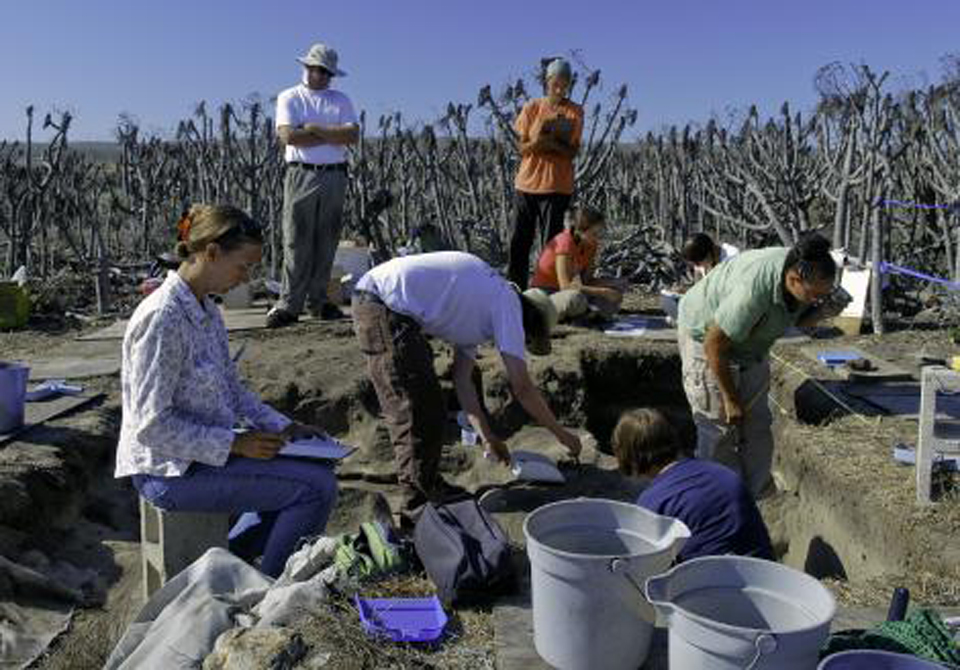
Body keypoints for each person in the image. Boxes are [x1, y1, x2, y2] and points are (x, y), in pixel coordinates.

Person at [115, 204, 339, 578]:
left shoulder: (206, 310)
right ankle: (270, 595)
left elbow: (231, 390)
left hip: (202, 457)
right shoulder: (163, 318)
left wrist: (284, 427)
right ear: (212, 253)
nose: (246, 278)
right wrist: (235, 444)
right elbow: (151, 426)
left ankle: (232, 565)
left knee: (314, 466)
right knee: (315, 489)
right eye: (243, 267)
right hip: (168, 471)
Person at [352, 251, 583, 523]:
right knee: (415, 411)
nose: (522, 342)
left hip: (386, 303)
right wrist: (563, 435)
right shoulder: (507, 303)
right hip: (384, 305)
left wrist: (487, 436)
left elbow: (463, 382)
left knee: (427, 405)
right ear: (530, 321)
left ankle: (427, 484)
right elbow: (522, 387)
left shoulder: (480, 308)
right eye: (528, 338)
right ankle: (417, 509)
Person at [677, 234, 838, 497]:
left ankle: (756, 498)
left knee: (757, 424)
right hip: (704, 334)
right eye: (814, 295)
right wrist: (730, 399)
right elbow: (714, 345)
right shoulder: (755, 289)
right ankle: (719, 499)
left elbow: (793, 320)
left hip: (750, 346)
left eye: (824, 295)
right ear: (793, 279)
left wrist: (822, 313)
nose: (817, 300)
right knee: (718, 427)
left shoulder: (804, 269)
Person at [268, 43, 359, 328]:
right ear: (305, 68)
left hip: (334, 174)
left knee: (326, 240)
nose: (319, 75)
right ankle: (289, 303)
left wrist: (313, 128)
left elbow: (352, 135)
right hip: (301, 173)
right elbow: (289, 137)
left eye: (324, 71)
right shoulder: (289, 97)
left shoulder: (341, 99)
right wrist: (332, 134)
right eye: (314, 69)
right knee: (297, 238)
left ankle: (318, 301)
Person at [613, 408, 773, 563]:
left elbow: (644, 565)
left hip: (712, 584)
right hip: (766, 574)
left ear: (632, 457)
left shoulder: (652, 503)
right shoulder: (722, 472)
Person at [508, 58, 584, 289]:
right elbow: (522, 148)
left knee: (552, 244)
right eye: (556, 84)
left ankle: (546, 289)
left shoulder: (575, 111)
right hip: (527, 185)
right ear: (547, 82)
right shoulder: (532, 108)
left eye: (565, 85)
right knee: (519, 241)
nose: (560, 89)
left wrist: (553, 143)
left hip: (557, 186)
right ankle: (514, 288)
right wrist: (541, 142)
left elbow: (572, 151)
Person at [530, 205, 626, 322]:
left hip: (570, 291)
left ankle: (586, 314)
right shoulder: (564, 242)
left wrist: (613, 284)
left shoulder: (592, 245)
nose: (598, 237)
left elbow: (586, 281)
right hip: (547, 294)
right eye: (594, 233)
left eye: (600, 233)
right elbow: (565, 287)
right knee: (575, 298)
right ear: (580, 230)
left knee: (619, 284)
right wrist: (603, 292)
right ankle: (558, 315)